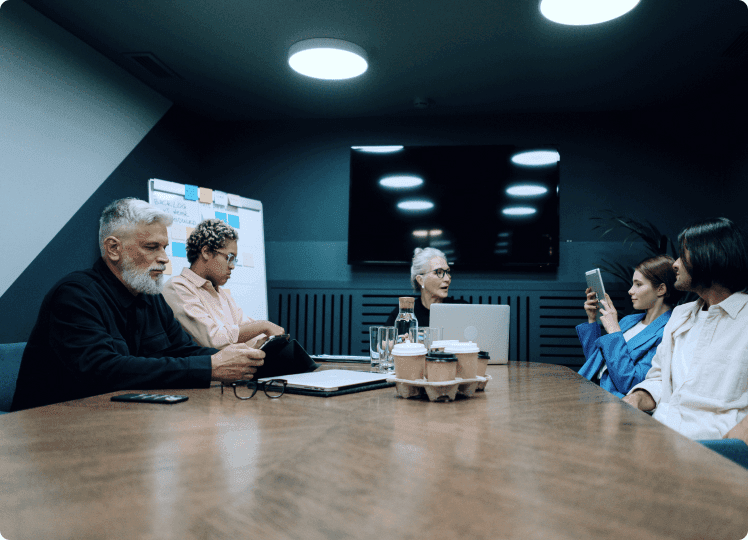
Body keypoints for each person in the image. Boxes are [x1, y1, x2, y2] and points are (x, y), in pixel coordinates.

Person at [11, 198, 264, 411]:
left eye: (164, 247)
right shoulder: (74, 295)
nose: (164, 258)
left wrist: (241, 361)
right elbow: (105, 370)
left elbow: (182, 350)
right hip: (55, 427)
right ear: (113, 248)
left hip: (121, 420)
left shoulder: (150, 296)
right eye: (151, 247)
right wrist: (210, 367)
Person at [623, 218, 748, 453]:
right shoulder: (680, 315)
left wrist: (738, 441)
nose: (675, 264)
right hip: (659, 438)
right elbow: (660, 378)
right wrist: (637, 397)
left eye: (683, 255)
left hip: (716, 447)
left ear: (709, 255)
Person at [162, 219, 285, 349]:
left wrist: (265, 342)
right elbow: (212, 340)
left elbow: (248, 331)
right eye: (229, 257)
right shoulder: (177, 288)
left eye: (234, 260)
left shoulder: (221, 294)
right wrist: (263, 326)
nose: (232, 266)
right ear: (206, 252)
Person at [576, 255, 681, 398]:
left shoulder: (667, 332)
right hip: (589, 388)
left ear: (661, 289)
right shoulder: (628, 321)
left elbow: (631, 383)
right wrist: (592, 319)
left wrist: (614, 330)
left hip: (612, 401)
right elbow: (595, 364)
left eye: (638, 284)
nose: (630, 291)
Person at [385, 247, 467, 328]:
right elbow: (386, 336)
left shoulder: (462, 309)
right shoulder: (403, 315)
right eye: (438, 272)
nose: (447, 279)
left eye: (447, 272)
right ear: (420, 280)